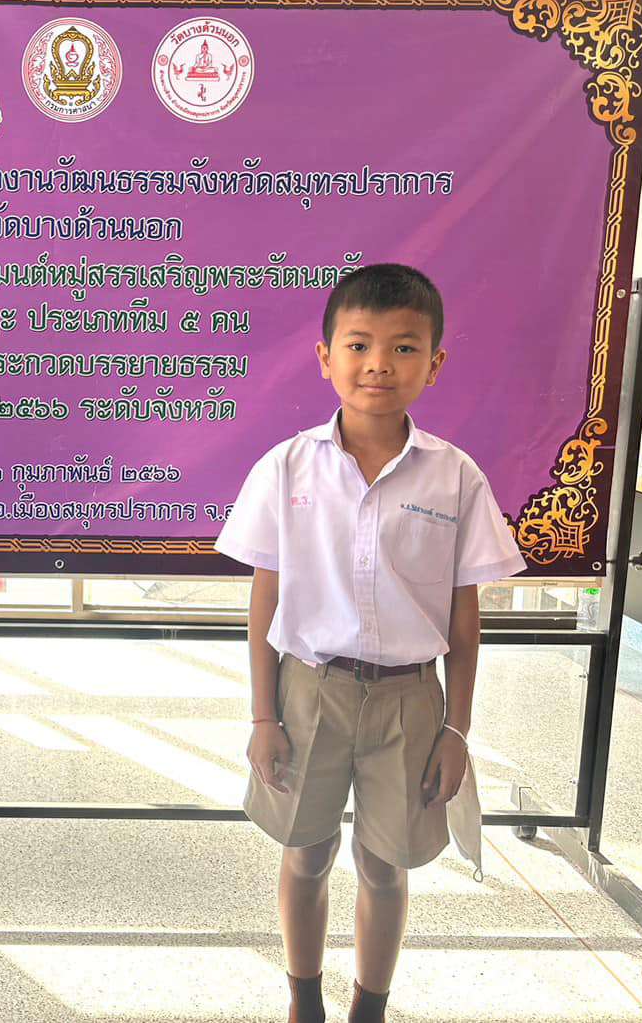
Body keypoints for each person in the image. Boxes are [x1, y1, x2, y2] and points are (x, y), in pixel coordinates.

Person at [215, 264, 524, 1023]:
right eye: (358, 345)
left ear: (434, 363)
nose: (378, 364)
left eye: (403, 347)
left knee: (385, 866)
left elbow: (464, 625)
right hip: (307, 691)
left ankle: (370, 1006)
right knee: (306, 853)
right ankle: (303, 998)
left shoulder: (455, 478)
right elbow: (263, 603)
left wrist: (456, 729)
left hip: (408, 701)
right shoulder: (286, 467)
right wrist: (263, 716)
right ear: (325, 356)